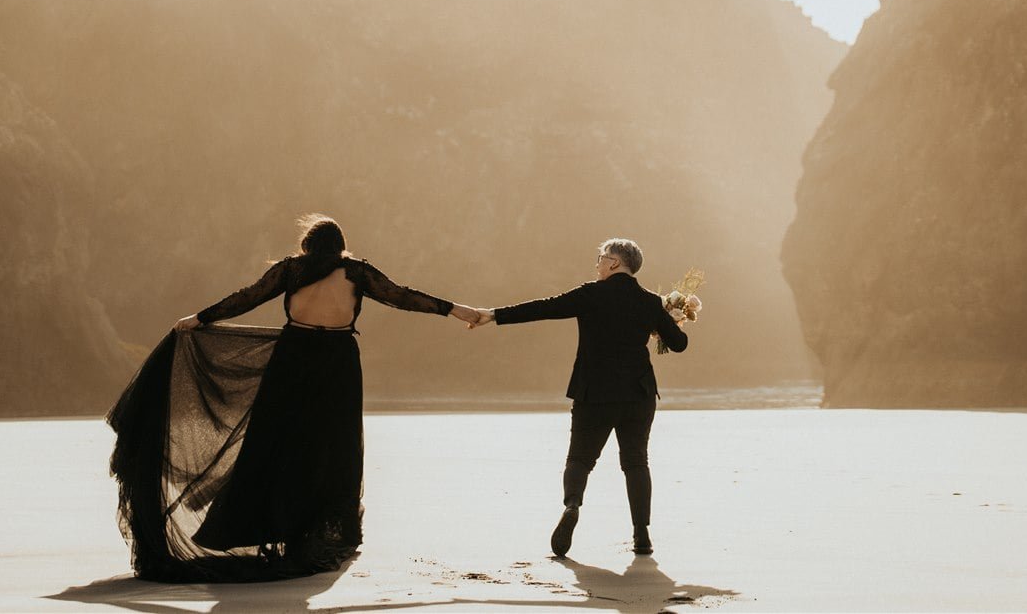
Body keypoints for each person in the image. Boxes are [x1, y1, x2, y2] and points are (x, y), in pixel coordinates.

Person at [108, 214, 482, 580]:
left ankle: (265, 526)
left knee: (275, 443)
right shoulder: (355, 272)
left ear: (307, 245)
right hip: (337, 362)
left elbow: (246, 298)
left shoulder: (292, 270)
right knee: (336, 448)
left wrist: (200, 318)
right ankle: (329, 529)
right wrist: (454, 309)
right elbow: (402, 297)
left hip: (293, 357)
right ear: (340, 247)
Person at [474, 237, 689, 557]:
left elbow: (545, 307)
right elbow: (679, 343)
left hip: (595, 393)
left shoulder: (590, 294)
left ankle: (573, 505)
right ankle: (642, 535)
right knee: (635, 463)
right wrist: (664, 320)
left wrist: (493, 314)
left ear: (615, 263)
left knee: (580, 460)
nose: (598, 264)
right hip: (638, 394)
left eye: (602, 258)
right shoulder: (650, 302)